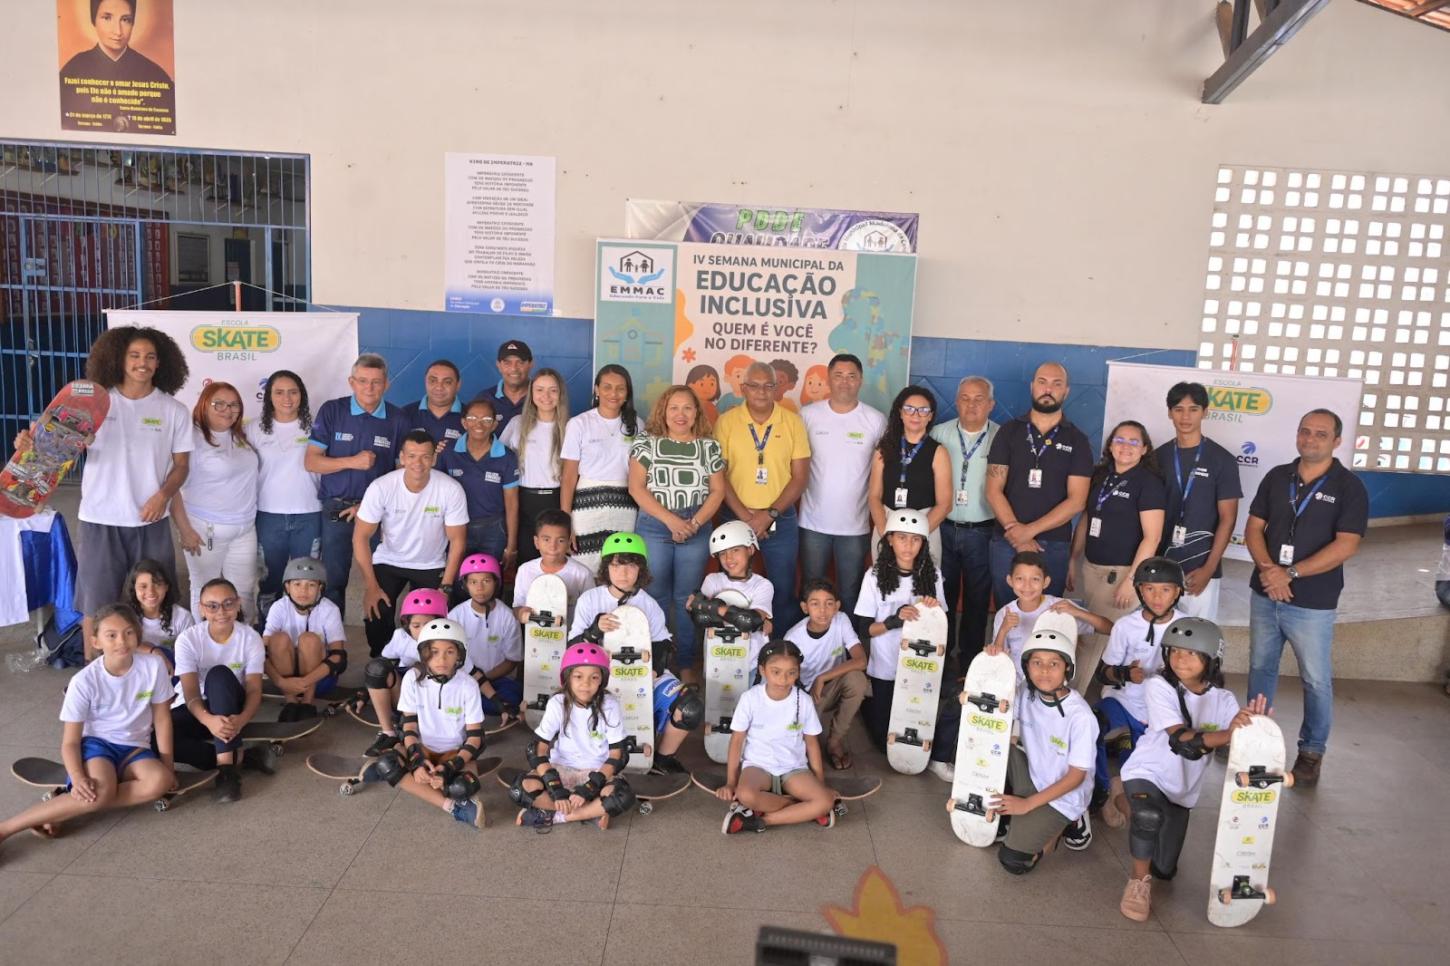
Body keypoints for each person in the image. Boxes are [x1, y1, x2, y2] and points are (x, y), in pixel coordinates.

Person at [13, 325, 191, 658]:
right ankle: (94, 673)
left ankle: (148, 673)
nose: (143, 363)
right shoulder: (92, 404)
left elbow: (181, 466)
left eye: (150, 357)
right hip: (100, 517)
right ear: (117, 358)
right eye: (134, 355)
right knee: (97, 603)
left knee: (154, 601)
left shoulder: (173, 410)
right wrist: (27, 443)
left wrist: (161, 496)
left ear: (161, 362)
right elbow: (45, 450)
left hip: (150, 521)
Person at [1106, 619, 1267, 922]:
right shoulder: (1159, 686)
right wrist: (1228, 733)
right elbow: (1182, 741)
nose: (1180, 658)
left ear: (1211, 659)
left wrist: (1254, 725)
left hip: (1182, 788)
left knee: (1164, 869)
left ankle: (1118, 797)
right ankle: (1137, 884)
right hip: (1147, 770)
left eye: (1192, 653)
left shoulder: (1223, 700)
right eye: (1175, 651)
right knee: (1148, 817)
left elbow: (1240, 741)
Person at [1244, 409, 1368, 786]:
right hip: (1266, 592)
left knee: (1315, 679)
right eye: (1305, 432)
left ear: (1336, 441)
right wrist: (1270, 571)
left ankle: (1311, 753)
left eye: (1320, 434)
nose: (1310, 439)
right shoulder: (1277, 477)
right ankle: (1255, 742)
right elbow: (1253, 529)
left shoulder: (1349, 487)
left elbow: (1347, 545)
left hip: (1313, 600)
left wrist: (1291, 573)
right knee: (1261, 669)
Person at [0, 603, 173, 852]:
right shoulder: (83, 681)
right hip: (97, 746)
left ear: (138, 634)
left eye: (128, 632)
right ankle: (6, 828)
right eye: (111, 635)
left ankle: (64, 807)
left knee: (159, 782)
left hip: (135, 747)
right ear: (96, 641)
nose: (121, 641)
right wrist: (79, 777)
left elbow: (162, 719)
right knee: (99, 792)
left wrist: (167, 765)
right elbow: (70, 742)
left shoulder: (153, 666)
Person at [628, 385, 726, 673]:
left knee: (687, 598)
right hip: (655, 525)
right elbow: (636, 488)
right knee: (654, 594)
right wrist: (672, 521)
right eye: (674, 408)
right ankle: (657, 663)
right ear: (663, 411)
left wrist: (693, 523)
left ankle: (684, 663)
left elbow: (718, 491)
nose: (680, 414)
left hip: (696, 525)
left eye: (687, 408)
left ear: (696, 412)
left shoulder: (709, 446)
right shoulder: (646, 442)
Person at [305, 353, 408, 615]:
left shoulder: (398, 418)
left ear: (387, 384)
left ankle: (381, 647)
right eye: (363, 381)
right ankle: (333, 643)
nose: (369, 388)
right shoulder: (332, 410)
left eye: (376, 382)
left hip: (378, 513)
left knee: (381, 580)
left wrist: (367, 505)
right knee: (332, 582)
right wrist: (353, 461)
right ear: (352, 382)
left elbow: (401, 474)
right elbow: (312, 462)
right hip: (335, 510)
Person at [993, 621, 1098, 873]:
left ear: (1067, 670)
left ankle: (1071, 821)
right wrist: (995, 659)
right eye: (1036, 662)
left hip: (1063, 795)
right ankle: (1018, 813)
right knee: (990, 741)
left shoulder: (1080, 716)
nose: (1044, 671)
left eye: (1054, 664)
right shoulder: (1026, 693)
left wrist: (1026, 806)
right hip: (1032, 773)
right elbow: (999, 719)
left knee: (1014, 861)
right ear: (1026, 667)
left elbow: (1076, 777)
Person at [985, 362, 1092, 611]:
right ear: (1032, 387)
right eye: (1042, 382)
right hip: (1007, 540)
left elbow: (1077, 500)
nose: (1048, 389)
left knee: (1046, 616)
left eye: (1057, 384)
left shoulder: (1077, 440)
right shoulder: (1009, 432)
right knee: (1006, 612)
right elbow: (992, 489)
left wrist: (1029, 531)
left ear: (1066, 391)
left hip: (1053, 545)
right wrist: (1016, 532)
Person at [1067, 421, 1166, 687]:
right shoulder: (1101, 475)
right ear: (1110, 445)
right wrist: (1073, 560)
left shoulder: (1148, 484)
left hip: (1119, 574)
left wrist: (1133, 580)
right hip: (1090, 567)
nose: (1126, 446)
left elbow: (1152, 537)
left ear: (1144, 449)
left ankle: (1072, 699)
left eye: (1134, 442)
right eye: (1120, 440)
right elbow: (1088, 518)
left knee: (1092, 638)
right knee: (1081, 634)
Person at [353, 429, 469, 658]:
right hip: (389, 560)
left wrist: (445, 586)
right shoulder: (381, 487)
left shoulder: (450, 489)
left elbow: (457, 541)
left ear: (434, 459)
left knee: (428, 621)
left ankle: (422, 667)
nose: (418, 462)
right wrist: (370, 586)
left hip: (431, 564)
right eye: (412, 456)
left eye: (425, 456)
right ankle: (382, 664)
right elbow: (360, 537)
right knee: (377, 611)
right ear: (402, 458)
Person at [716, 361, 812, 629]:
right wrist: (748, 518)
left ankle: (778, 650)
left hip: (779, 518)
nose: (761, 392)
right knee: (729, 587)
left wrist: (768, 515)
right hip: (735, 518)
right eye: (754, 386)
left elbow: (800, 477)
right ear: (743, 388)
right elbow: (719, 476)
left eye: (768, 386)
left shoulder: (792, 422)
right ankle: (732, 650)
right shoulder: (726, 422)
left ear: (777, 388)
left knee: (782, 587)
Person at [854, 510, 950, 777]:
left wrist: (934, 609)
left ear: (924, 544)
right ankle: (868, 707)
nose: (909, 545)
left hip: (919, 665)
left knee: (915, 733)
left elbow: (943, 625)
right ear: (890, 541)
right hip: (885, 666)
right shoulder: (873, 577)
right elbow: (865, 630)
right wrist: (894, 620)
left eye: (916, 540)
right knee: (886, 745)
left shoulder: (933, 575)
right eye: (902, 538)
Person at [371, 619, 487, 829]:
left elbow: (475, 738)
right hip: (423, 749)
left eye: (449, 652)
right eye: (433, 651)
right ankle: (453, 807)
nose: (441, 659)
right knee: (387, 765)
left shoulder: (468, 685)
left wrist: (449, 767)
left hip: (454, 751)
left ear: (460, 655)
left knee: (463, 787)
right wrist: (417, 762)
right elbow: (409, 727)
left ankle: (447, 785)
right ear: (423, 653)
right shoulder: (412, 678)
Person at [1090, 558, 1186, 808]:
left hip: (1162, 713)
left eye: (1165, 589)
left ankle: (1125, 773)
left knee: (1140, 768)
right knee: (1093, 724)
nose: (1157, 597)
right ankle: (1100, 789)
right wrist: (1124, 673)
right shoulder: (1125, 626)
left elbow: (1203, 680)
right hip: (1123, 703)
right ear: (1139, 590)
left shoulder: (1188, 628)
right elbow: (1103, 673)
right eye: (1149, 589)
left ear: (1177, 592)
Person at [510, 642, 636, 831]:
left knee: (621, 796)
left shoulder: (610, 705)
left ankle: (559, 815)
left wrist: (591, 787)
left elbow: (618, 754)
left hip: (596, 769)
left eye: (594, 677)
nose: (585, 684)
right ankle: (589, 812)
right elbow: (538, 750)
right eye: (578, 676)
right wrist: (555, 789)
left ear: (602, 680)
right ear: (567, 678)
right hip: (562, 767)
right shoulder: (557, 703)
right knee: (522, 789)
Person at [716, 639, 836, 834]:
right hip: (758, 766)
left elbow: (812, 744)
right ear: (763, 670)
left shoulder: (803, 700)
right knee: (745, 794)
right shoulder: (750, 698)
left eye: (791, 673)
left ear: (798, 672)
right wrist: (731, 782)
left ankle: (762, 819)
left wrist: (821, 784)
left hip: (793, 768)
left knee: (825, 800)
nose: (784, 679)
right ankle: (799, 806)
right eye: (776, 672)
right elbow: (737, 741)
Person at [799, 353, 887, 615]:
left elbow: (884, 471)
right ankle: (811, 648)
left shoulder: (875, 420)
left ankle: (851, 649)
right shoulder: (808, 415)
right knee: (811, 589)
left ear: (860, 380)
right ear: (828, 379)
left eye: (851, 376)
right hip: (812, 524)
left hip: (855, 526)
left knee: (850, 591)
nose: (844, 382)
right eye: (838, 376)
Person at [168, 578, 268, 803]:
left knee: (219, 675)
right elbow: (191, 692)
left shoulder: (251, 639)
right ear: (202, 609)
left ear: (238, 604)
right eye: (212, 606)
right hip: (197, 709)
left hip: (230, 705)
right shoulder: (188, 639)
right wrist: (208, 720)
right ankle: (240, 756)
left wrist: (242, 720)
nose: (221, 611)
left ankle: (226, 772)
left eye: (228, 603)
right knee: (157, 739)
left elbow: (253, 690)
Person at [171, 382, 261, 622]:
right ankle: (204, 649)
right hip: (204, 530)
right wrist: (185, 530)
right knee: (204, 592)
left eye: (233, 405)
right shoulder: (191, 437)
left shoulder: (240, 435)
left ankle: (242, 647)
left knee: (243, 594)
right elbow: (172, 487)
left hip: (245, 529)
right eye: (218, 404)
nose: (227, 409)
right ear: (204, 405)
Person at [1153, 382, 1242, 621]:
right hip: (1161, 566)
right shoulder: (1157, 457)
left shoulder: (1222, 459)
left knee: (1195, 641)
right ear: (1169, 412)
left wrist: (1209, 568)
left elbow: (1228, 519)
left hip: (1199, 568)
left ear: (1205, 412)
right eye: (1179, 409)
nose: (1185, 416)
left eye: (1193, 409)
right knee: (1157, 638)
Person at [931, 376, 999, 663]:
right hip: (942, 528)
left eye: (979, 399)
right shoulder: (937, 434)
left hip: (982, 531)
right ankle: (941, 660)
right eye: (965, 398)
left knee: (977, 598)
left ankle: (970, 661)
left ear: (991, 404)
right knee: (940, 597)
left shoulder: (1002, 437)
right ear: (956, 401)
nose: (971, 404)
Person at [253, 370, 322, 618]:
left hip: (309, 513)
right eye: (279, 392)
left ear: (302, 395)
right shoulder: (254, 429)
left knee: (306, 579)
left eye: (293, 392)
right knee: (270, 579)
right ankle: (268, 633)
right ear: (268, 396)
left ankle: (305, 631)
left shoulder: (317, 427)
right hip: (268, 515)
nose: (287, 398)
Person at [987, 551, 1110, 685]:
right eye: (1020, 579)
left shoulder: (1060, 607)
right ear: (1010, 580)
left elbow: (1109, 628)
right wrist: (1003, 630)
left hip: (1051, 686)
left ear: (1046, 582)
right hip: (1016, 686)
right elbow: (997, 657)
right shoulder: (1004, 613)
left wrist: (1078, 612)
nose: (1027, 585)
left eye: (1035, 579)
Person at [562, 365, 639, 572]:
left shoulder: (638, 424)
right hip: (586, 507)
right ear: (596, 389)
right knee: (586, 568)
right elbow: (569, 476)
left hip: (625, 506)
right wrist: (565, 520)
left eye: (620, 388)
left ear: (627, 392)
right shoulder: (578, 424)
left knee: (620, 567)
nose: (613, 394)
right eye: (607, 387)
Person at [785, 578, 868, 771]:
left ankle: (835, 741)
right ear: (805, 608)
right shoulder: (793, 637)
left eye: (829, 603)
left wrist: (822, 678)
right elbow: (787, 682)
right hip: (805, 696)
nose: (823, 610)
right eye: (815, 604)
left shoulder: (841, 620)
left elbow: (861, 660)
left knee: (857, 679)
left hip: (831, 687)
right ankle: (805, 740)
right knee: (799, 753)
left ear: (837, 606)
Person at [59, 0, 176, 134]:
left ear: (133, 23)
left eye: (125, 20)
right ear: (94, 20)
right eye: (107, 18)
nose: (117, 31)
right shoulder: (72, 71)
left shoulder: (156, 76)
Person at [359, 588, 450, 758]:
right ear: (407, 625)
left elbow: (473, 676)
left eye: (429, 625)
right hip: (405, 698)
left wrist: (498, 703)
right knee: (377, 669)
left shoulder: (451, 642)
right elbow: (379, 667)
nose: (422, 630)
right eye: (416, 625)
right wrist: (363, 693)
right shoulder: (401, 637)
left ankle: (416, 729)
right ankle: (388, 733)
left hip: (437, 704)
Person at [868, 385, 951, 566]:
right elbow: (874, 496)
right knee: (885, 587)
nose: (915, 415)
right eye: (909, 409)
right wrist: (886, 533)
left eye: (923, 410)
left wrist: (917, 536)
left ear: (930, 416)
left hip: (924, 525)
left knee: (922, 589)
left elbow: (944, 504)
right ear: (900, 412)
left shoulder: (938, 452)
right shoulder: (884, 448)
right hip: (887, 522)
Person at [261, 557, 347, 721]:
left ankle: (308, 702)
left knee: (308, 640)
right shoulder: (279, 607)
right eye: (297, 584)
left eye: (311, 585)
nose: (303, 591)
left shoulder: (329, 609)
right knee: (277, 639)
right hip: (286, 681)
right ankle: (291, 702)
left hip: (319, 681)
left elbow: (339, 657)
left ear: (320, 587)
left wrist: (304, 682)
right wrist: (280, 682)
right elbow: (261, 652)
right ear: (287, 587)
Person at [437, 397, 519, 564]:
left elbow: (511, 504)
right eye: (473, 418)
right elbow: (435, 493)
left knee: (490, 581)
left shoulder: (507, 457)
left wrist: (511, 545)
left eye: (486, 419)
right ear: (464, 423)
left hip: (494, 530)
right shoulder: (448, 452)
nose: (479, 424)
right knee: (457, 579)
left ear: (494, 424)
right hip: (456, 527)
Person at [501, 368, 569, 565]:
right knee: (526, 560)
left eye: (552, 390)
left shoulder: (571, 426)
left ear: (560, 394)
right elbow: (498, 459)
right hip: (523, 501)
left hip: (557, 500)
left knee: (554, 560)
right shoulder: (517, 423)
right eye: (540, 390)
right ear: (531, 393)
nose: (546, 396)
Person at [569, 533, 672, 662]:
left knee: (674, 682)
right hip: (598, 670)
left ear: (641, 569)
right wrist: (595, 631)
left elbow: (662, 645)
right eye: (616, 565)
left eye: (631, 566)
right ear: (606, 568)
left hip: (636, 670)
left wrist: (655, 671)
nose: (623, 573)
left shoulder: (650, 604)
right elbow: (572, 647)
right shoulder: (589, 599)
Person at [687, 521, 773, 673]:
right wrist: (751, 621)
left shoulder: (763, 585)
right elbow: (700, 618)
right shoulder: (713, 579)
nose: (728, 558)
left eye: (735, 550)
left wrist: (712, 607)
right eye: (722, 553)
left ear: (751, 549)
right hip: (717, 656)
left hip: (750, 661)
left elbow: (749, 621)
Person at [448, 553, 524, 719]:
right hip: (464, 679)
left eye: (486, 581)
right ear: (465, 585)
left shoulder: (508, 616)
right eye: (473, 582)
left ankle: (472, 705)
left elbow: (512, 660)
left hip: (497, 679)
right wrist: (472, 680)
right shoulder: (455, 616)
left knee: (513, 695)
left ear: (496, 583)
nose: (480, 588)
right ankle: (488, 705)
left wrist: (483, 680)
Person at [512, 509, 598, 629]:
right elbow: (517, 607)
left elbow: (593, 610)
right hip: (535, 639)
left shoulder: (582, 574)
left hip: (572, 640)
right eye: (546, 539)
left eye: (561, 540)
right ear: (536, 542)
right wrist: (521, 613)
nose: (553, 547)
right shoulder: (525, 570)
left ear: (569, 543)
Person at [124, 558, 191, 670]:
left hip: (171, 672)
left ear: (166, 587)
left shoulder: (183, 617)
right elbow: (122, 646)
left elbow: (188, 655)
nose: (151, 592)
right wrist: (154, 651)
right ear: (134, 588)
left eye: (157, 584)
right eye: (143, 586)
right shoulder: (124, 617)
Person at [400, 359, 465, 452]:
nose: (439, 387)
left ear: (458, 385)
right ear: (425, 382)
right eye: (433, 381)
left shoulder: (471, 418)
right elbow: (396, 457)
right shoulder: (405, 414)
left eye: (447, 382)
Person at [473, 339, 533, 434]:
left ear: (531, 364)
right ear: (498, 365)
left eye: (520, 362)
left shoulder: (542, 399)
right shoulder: (484, 398)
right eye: (507, 363)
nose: (514, 368)